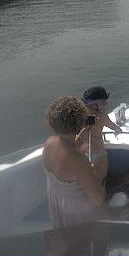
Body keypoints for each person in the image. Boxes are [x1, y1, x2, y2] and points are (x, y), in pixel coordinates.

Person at [42, 95, 107, 228]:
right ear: (81, 123)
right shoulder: (80, 162)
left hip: (58, 205)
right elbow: (98, 200)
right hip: (77, 215)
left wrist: (82, 135)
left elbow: (67, 149)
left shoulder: (49, 143)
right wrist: (99, 173)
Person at [77, 86, 123, 181]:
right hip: (97, 152)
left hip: (81, 152)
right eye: (103, 102)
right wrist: (117, 130)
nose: (105, 104)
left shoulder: (79, 114)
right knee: (101, 178)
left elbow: (81, 133)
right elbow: (113, 127)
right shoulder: (100, 117)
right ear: (94, 104)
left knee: (86, 178)